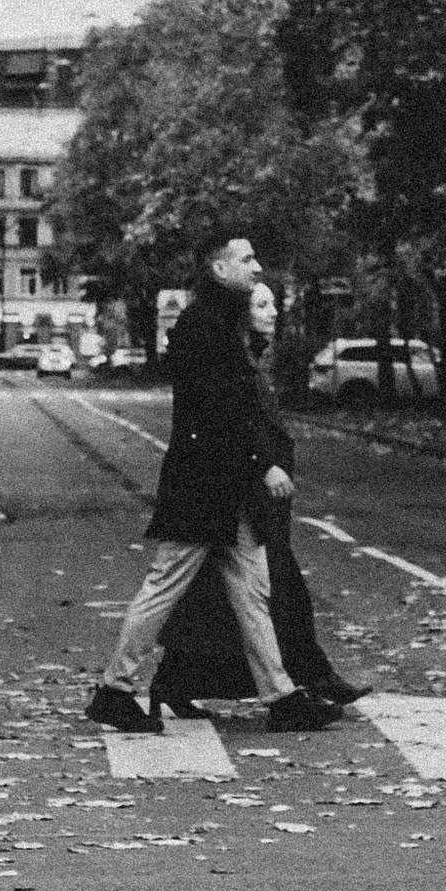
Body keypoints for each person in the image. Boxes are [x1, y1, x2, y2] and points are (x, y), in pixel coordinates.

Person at [86, 234, 345, 735]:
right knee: (163, 587)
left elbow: (236, 406)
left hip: (223, 488)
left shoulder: (219, 322)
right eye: (246, 258)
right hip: (202, 487)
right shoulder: (204, 326)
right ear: (219, 267)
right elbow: (219, 410)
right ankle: (115, 691)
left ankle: (282, 696)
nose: (256, 264)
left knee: (253, 590)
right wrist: (261, 465)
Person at [153, 282, 358, 713]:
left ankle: (177, 681)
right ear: (242, 315)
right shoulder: (234, 357)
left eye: (271, 304)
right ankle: (301, 683)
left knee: (226, 596)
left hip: (254, 494)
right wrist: (263, 465)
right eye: (261, 305)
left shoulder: (253, 354)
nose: (272, 312)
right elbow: (233, 420)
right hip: (241, 491)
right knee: (257, 593)